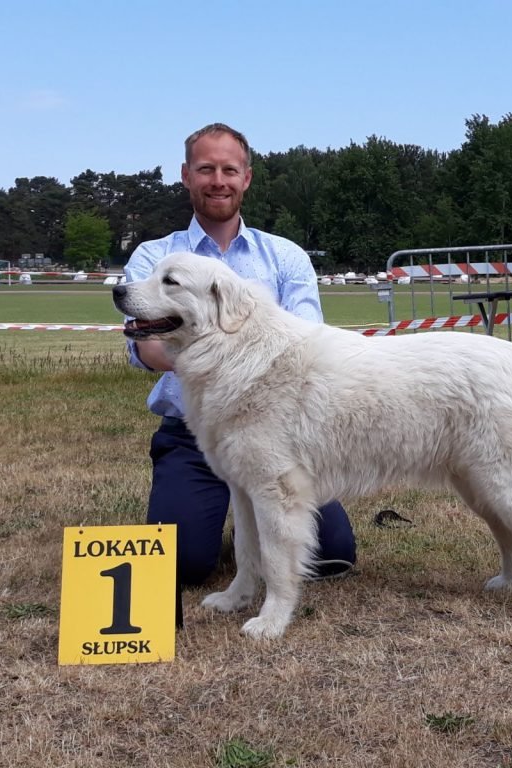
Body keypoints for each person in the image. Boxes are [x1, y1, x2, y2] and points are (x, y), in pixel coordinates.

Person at [122, 122, 357, 586]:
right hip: (193, 435)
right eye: (205, 168)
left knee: (333, 556)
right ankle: (227, 523)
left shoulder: (284, 257)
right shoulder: (155, 256)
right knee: (181, 567)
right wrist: (214, 361)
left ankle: (258, 524)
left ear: (246, 178)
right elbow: (145, 346)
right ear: (186, 175)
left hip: (284, 434)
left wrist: (241, 368)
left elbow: (309, 345)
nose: (218, 180)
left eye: (229, 169)